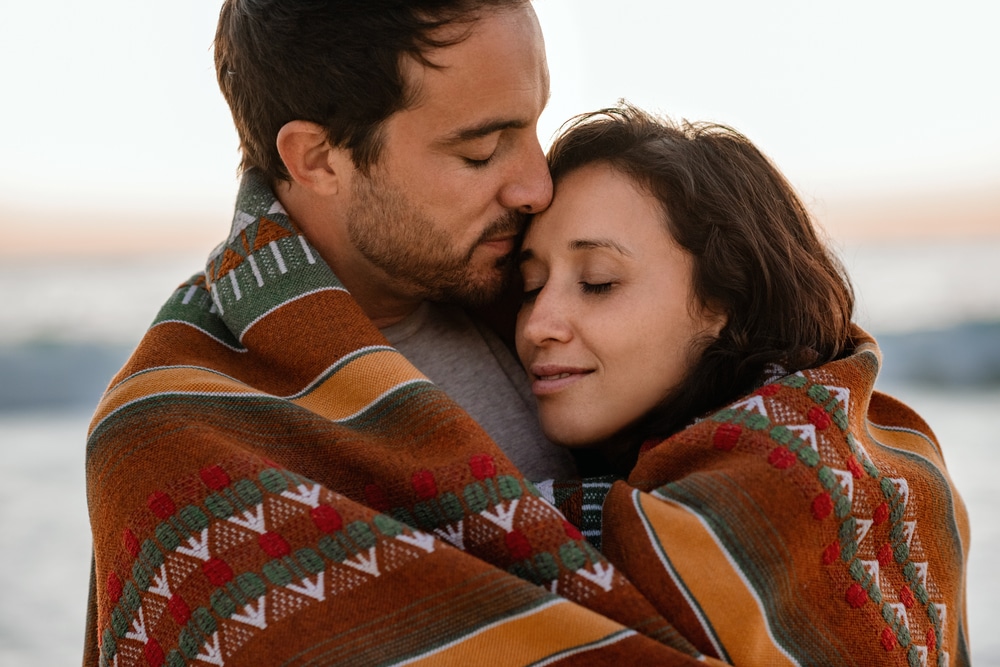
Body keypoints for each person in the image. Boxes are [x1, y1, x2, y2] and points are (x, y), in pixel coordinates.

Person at [84, 4, 712, 666]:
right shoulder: (170, 439)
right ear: (319, 158)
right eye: (480, 150)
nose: (536, 185)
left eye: (533, 126)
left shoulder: (553, 295)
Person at [515, 103, 972, 665]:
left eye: (598, 283)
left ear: (725, 304)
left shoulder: (809, 493)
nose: (539, 324)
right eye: (530, 285)